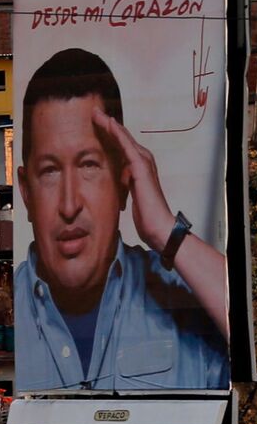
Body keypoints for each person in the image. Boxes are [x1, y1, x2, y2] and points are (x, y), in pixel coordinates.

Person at [13, 47, 230, 392]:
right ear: (25, 191)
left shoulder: (187, 299)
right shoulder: (2, 315)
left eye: (88, 166)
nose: (69, 205)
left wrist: (165, 232)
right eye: (50, 171)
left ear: (123, 180)